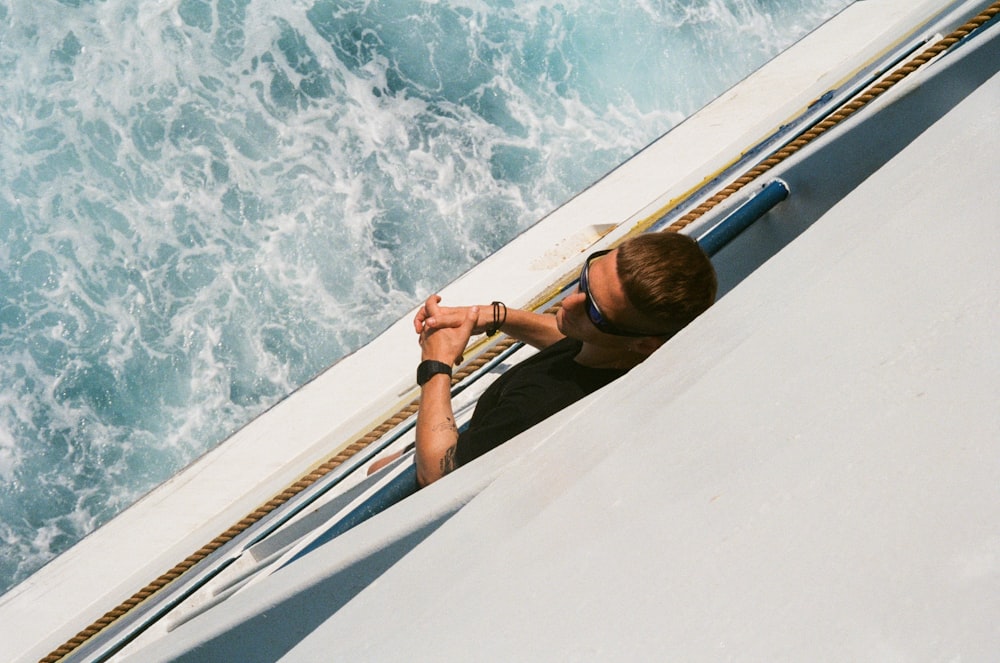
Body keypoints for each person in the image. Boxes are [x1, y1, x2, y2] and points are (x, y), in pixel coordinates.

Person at [371, 232, 717, 487]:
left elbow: (438, 475)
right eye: (585, 280)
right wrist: (494, 316)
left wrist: (436, 363)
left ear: (644, 344)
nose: (568, 304)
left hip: (452, 469)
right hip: (480, 439)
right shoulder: (619, 354)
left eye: (593, 311)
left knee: (377, 475)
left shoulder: (539, 405)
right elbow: (569, 335)